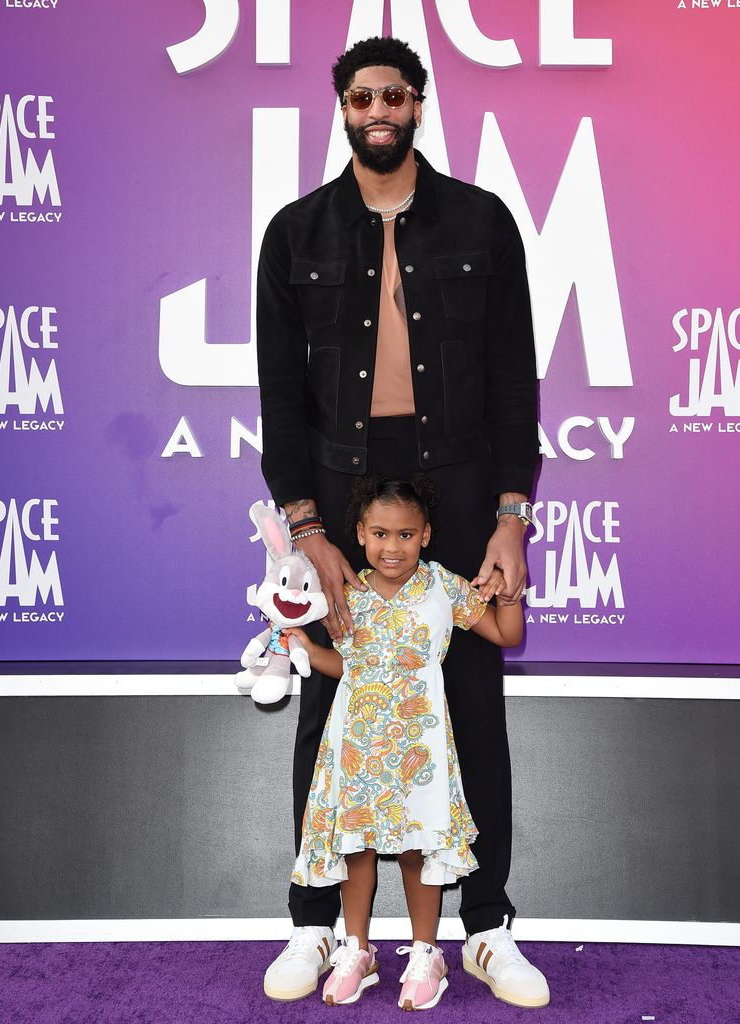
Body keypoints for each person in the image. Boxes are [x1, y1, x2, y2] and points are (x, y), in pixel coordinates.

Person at [256, 35, 548, 1008]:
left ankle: (487, 926)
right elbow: (281, 400)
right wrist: (307, 529)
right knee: (326, 702)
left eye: (393, 94)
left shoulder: (481, 221)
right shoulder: (295, 234)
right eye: (358, 96)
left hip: (462, 492)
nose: (376, 109)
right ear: (339, 108)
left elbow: (514, 381)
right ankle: (316, 924)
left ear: (418, 103)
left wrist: (510, 516)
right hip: (341, 499)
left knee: (472, 700)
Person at [285, 475, 524, 1010]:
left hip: (422, 745)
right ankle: (356, 950)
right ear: (360, 534)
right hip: (356, 742)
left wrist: (510, 593)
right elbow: (344, 665)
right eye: (380, 533)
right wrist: (303, 647)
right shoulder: (344, 590)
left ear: (427, 535)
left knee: (420, 849)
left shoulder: (444, 587)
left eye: (406, 535)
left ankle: (426, 954)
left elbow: (507, 635)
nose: (393, 547)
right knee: (356, 847)